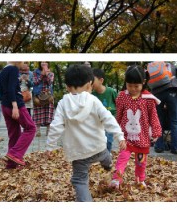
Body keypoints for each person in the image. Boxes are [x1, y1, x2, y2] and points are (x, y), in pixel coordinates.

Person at [46, 64, 125, 202]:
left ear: (67, 86)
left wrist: (50, 146)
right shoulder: (94, 100)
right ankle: (107, 163)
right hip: (98, 147)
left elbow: (56, 126)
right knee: (105, 155)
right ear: (90, 84)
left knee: (80, 181)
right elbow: (108, 118)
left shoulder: (63, 103)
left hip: (79, 153)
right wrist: (119, 136)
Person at [110, 65, 162, 190]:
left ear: (143, 83)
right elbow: (119, 114)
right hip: (126, 136)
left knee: (141, 161)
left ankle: (140, 179)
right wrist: (116, 129)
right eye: (129, 85)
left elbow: (153, 116)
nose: (133, 89)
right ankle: (116, 180)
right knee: (122, 158)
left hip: (142, 137)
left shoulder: (148, 99)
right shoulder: (122, 96)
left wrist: (156, 131)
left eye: (136, 86)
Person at [0, 61, 37, 167]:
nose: (24, 65)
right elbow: (11, 88)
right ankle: (15, 154)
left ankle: (11, 164)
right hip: (15, 105)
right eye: (24, 62)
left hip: (5, 105)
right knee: (31, 128)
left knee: (14, 134)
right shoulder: (13, 69)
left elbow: (3, 90)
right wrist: (15, 106)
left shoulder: (4, 70)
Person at [91, 68, 117, 152]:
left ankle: (107, 155)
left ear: (101, 80)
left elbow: (118, 104)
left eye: (92, 80)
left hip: (109, 120)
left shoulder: (111, 91)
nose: (90, 83)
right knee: (98, 140)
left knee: (108, 140)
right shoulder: (91, 95)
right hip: (97, 122)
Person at [32, 61, 55, 137]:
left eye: (45, 62)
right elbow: (35, 82)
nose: (44, 63)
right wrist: (42, 75)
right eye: (42, 62)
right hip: (38, 94)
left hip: (48, 94)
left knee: (48, 112)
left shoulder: (51, 73)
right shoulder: (35, 72)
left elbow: (50, 83)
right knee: (38, 112)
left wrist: (47, 74)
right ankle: (37, 130)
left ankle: (48, 130)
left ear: (48, 63)